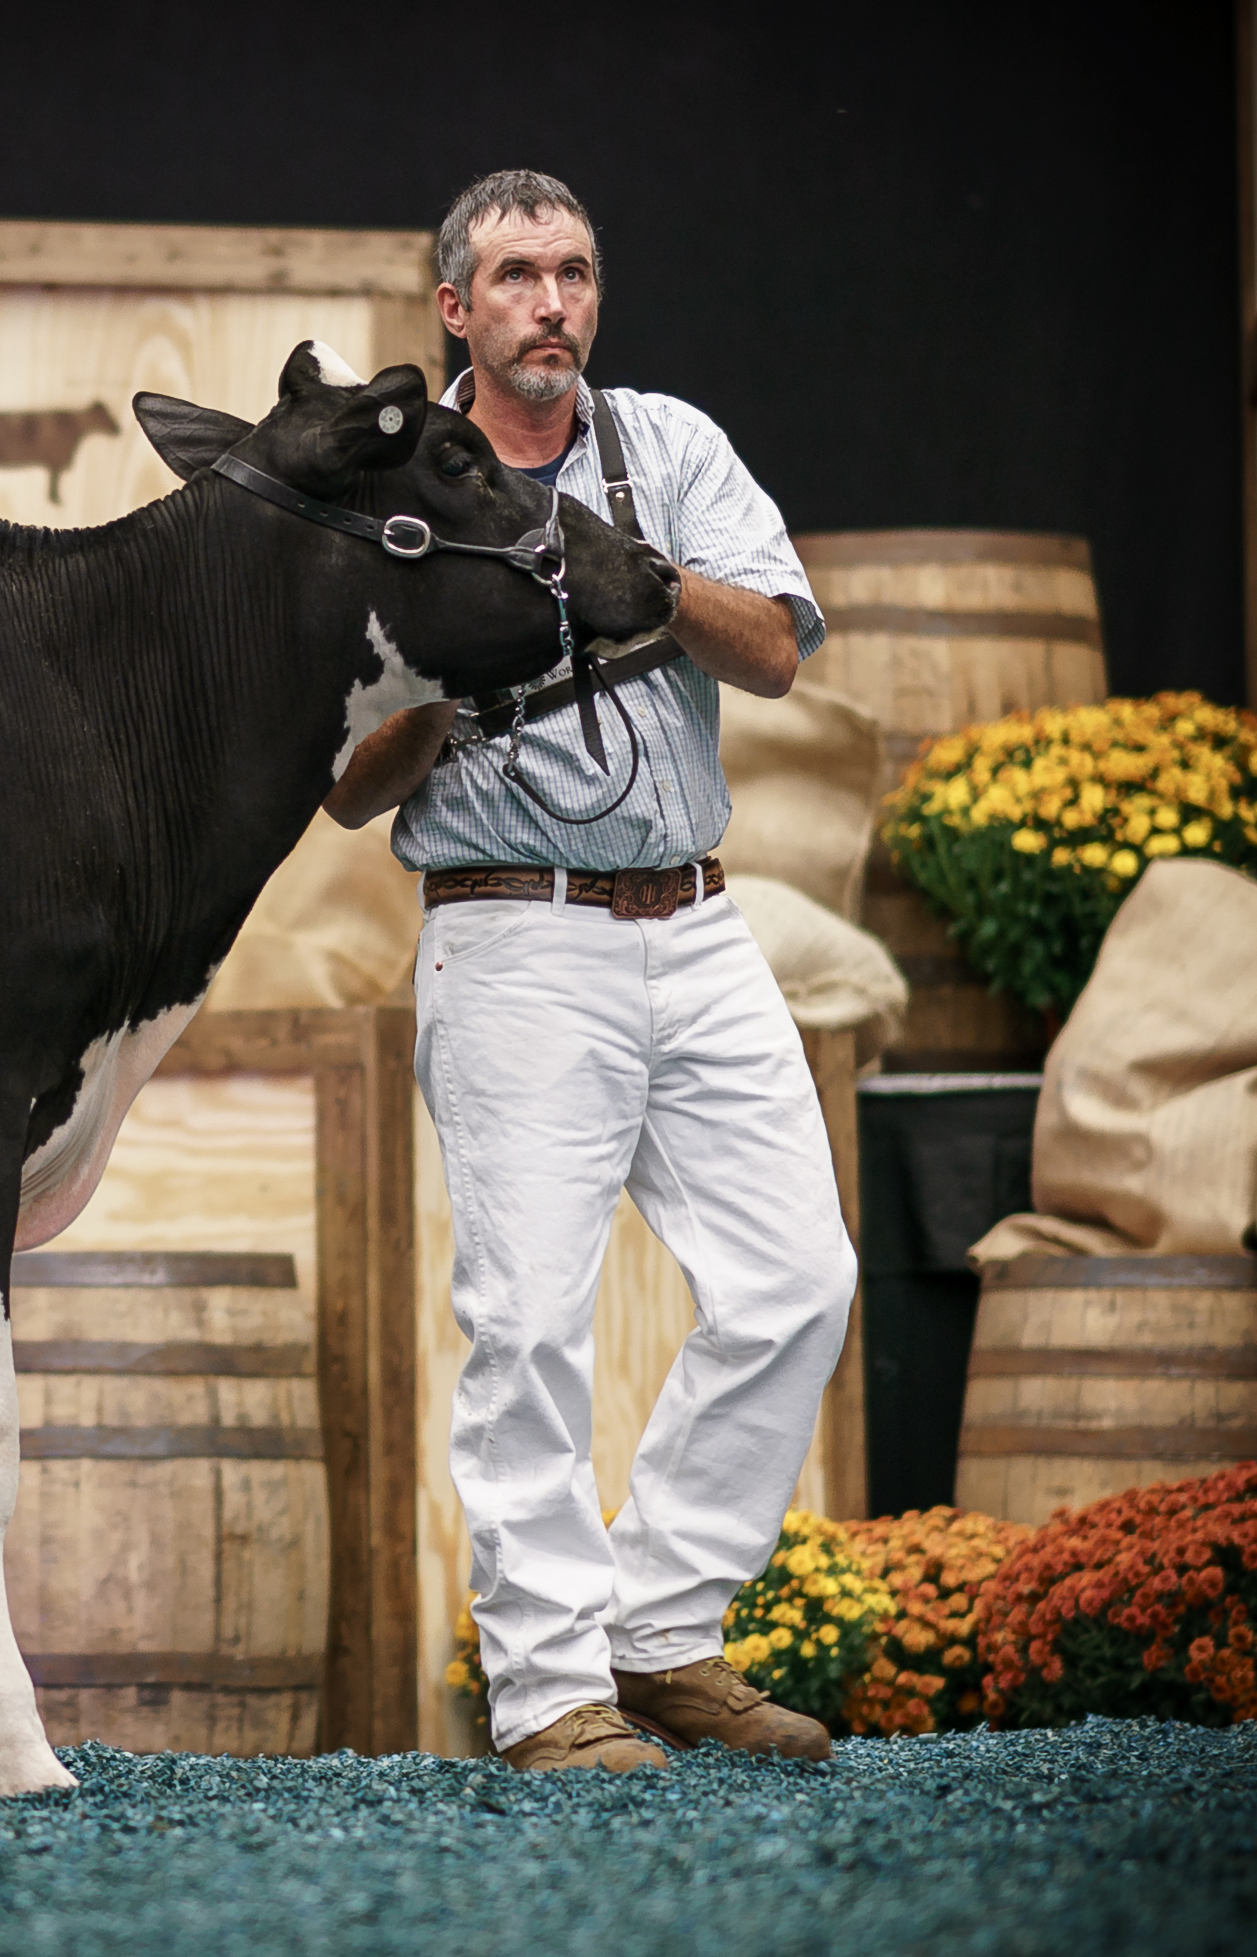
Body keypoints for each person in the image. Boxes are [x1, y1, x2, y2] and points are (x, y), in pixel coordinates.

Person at [327, 169, 857, 1772]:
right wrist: (453, 686)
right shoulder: (392, 493)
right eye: (514, 277)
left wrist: (656, 587)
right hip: (513, 933)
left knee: (800, 1281)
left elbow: (779, 649)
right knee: (532, 1324)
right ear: (454, 309)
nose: (549, 302)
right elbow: (345, 784)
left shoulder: (668, 448)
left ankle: (663, 1630)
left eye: (571, 272)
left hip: (695, 921)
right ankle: (549, 1687)